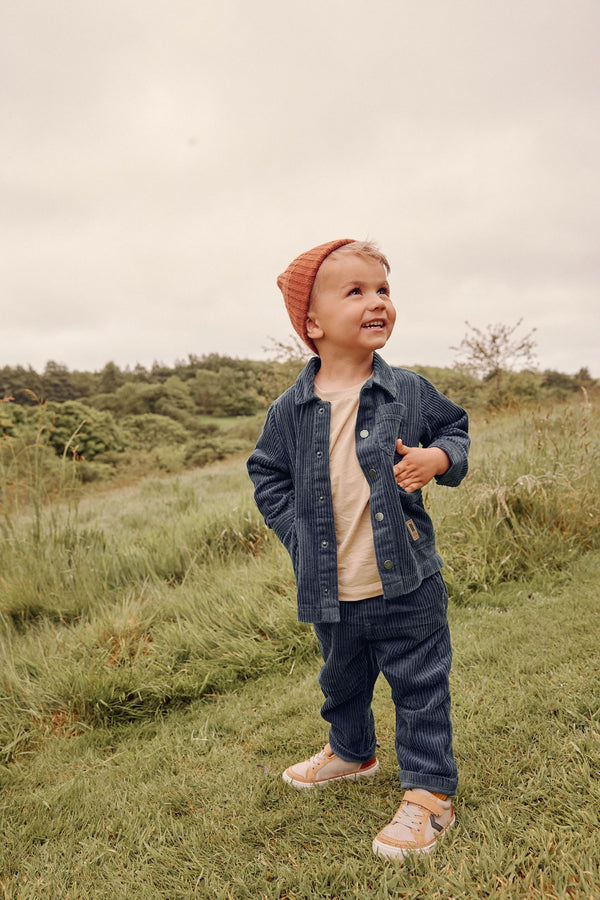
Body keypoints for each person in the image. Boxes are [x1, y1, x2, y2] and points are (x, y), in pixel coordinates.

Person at [247, 239, 470, 861]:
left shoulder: (408, 391)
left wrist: (439, 457)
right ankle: (352, 751)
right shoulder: (288, 411)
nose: (377, 302)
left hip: (407, 581)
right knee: (341, 680)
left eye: (384, 290)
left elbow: (455, 428)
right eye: (356, 291)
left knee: (420, 685)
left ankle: (429, 793)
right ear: (312, 323)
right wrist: (296, 532)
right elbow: (266, 474)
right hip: (329, 586)